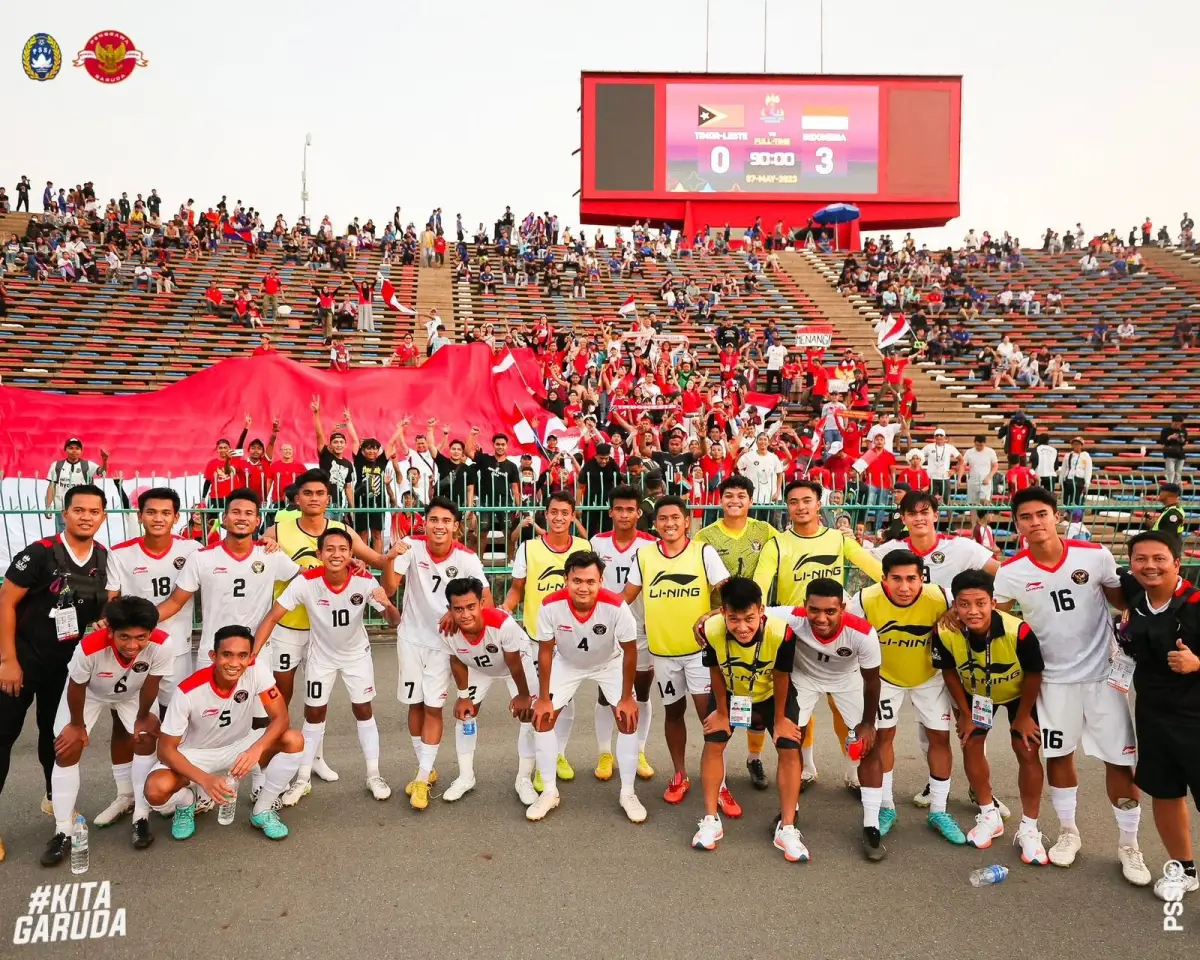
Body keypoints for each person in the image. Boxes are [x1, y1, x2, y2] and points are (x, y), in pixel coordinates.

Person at [992, 486, 1150, 885]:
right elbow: (1000, 624)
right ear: (1017, 524)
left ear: (1056, 516)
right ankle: (1068, 832)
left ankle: (1129, 844)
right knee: (1059, 756)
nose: (1035, 522)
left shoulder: (1093, 555)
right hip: (1053, 681)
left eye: (1042, 514)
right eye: (1026, 517)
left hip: (1103, 678)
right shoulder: (1011, 573)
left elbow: (1124, 605)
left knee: (1120, 761)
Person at [154, 489, 301, 799]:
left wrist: (348, 567)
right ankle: (202, 787)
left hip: (257, 653)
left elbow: (305, 577)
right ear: (224, 518)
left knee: (263, 719)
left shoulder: (271, 554)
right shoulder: (202, 558)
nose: (242, 517)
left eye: (249, 513)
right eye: (236, 512)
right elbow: (175, 602)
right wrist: (133, 622)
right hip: (214, 654)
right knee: (205, 725)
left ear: (258, 520)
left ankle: (260, 782)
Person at [258, 468, 390, 794]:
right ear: (297, 498)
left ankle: (314, 760)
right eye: (308, 493)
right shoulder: (278, 528)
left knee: (319, 703)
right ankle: (279, 765)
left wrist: (391, 558)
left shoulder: (341, 531)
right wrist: (262, 544)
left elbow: (375, 559)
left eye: (320, 494)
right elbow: (253, 555)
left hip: (325, 631)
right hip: (291, 626)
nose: (314, 499)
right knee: (285, 700)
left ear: (328, 498)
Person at [0, 484, 110, 863]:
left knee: (54, 737)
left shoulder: (102, 557)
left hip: (65, 666)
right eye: (78, 510)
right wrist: (7, 660)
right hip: (24, 660)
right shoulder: (40, 553)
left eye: (93, 511)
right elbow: (6, 601)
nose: (85, 516)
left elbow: (96, 611)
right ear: (65, 514)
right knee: (3, 737)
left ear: (103, 516)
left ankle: (53, 799)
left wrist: (98, 624)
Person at [753, 479, 882, 791]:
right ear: (787, 506)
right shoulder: (777, 544)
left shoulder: (837, 540)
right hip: (796, 633)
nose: (800, 507)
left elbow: (876, 571)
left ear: (818, 504)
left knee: (842, 707)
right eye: (794, 501)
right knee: (800, 709)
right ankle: (806, 768)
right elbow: (759, 585)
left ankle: (853, 770)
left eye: (806, 500)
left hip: (835, 632)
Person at [848, 550, 966, 845]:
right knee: (883, 737)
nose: (904, 587)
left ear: (921, 578)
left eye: (911, 579)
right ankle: (887, 807)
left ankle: (938, 810)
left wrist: (958, 612)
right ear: (883, 578)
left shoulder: (942, 596)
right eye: (896, 579)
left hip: (930, 677)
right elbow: (847, 634)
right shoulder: (864, 600)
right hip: (885, 679)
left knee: (940, 739)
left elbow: (976, 609)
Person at [144, 625, 303, 842]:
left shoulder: (257, 670)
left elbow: (281, 718)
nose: (234, 663)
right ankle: (186, 802)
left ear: (251, 657)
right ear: (213, 656)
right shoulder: (187, 691)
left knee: (294, 740)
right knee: (155, 790)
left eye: (242, 656)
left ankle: (262, 810)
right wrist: (205, 780)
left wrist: (257, 750)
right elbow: (164, 750)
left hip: (240, 746)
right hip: (197, 753)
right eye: (227, 655)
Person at [932, 571, 1049, 864]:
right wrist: (965, 713)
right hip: (978, 694)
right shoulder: (944, 631)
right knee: (971, 743)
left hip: (1018, 692)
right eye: (964, 604)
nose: (973, 611)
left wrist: (1023, 716)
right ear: (954, 607)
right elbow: (948, 671)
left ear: (993, 603)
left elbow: (1035, 672)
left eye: (981, 603)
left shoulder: (1017, 630)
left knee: (1026, 747)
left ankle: (1029, 828)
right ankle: (988, 814)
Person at [41, 598, 170, 865]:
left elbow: (151, 683)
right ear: (109, 630)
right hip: (89, 694)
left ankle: (141, 816)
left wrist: (144, 717)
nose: (132, 645)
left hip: (132, 693)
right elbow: (76, 686)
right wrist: (77, 726)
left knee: (145, 739)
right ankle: (63, 829)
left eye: (140, 637)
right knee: (68, 748)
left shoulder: (163, 645)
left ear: (150, 632)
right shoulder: (89, 647)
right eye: (124, 636)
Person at [382, 498, 489, 810]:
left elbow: (485, 598)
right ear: (424, 523)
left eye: (446, 520)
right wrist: (389, 558)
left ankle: (422, 775)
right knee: (414, 705)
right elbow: (390, 589)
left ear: (455, 526)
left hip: (445, 645)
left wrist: (457, 615)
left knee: (433, 708)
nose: (439, 526)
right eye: (433, 520)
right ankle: (424, 770)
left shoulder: (467, 558)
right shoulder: (411, 547)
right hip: (411, 639)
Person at [623, 497, 730, 804]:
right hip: (663, 652)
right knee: (673, 713)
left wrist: (715, 614)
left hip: (699, 653)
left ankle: (719, 785)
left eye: (675, 518)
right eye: (662, 519)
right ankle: (680, 774)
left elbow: (731, 594)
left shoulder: (703, 552)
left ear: (687, 522)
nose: (669, 523)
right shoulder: (644, 556)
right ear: (655, 524)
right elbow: (625, 597)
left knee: (709, 716)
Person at [691, 578, 805, 859]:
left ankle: (787, 828)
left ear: (762, 611)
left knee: (790, 747)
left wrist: (780, 719)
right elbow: (716, 670)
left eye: (750, 619)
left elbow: (782, 676)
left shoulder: (783, 633)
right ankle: (710, 820)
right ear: (723, 614)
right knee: (713, 743)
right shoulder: (710, 629)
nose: (742, 627)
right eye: (734, 619)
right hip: (731, 693)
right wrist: (719, 710)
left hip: (771, 695)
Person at [527, 551, 644, 823]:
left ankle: (628, 793)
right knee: (543, 717)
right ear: (566, 580)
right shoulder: (550, 605)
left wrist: (626, 697)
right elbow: (545, 651)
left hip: (609, 663)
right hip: (567, 663)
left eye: (590, 581)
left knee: (627, 718)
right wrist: (543, 697)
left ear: (600, 581)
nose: (583, 587)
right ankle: (549, 792)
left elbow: (630, 651)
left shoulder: (616, 606)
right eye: (576, 580)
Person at [1118, 531, 1200, 900]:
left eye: (1159, 558)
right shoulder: (1136, 602)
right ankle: (1183, 870)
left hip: (1196, 717)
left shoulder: (1197, 602)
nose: (1149, 566)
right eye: (1141, 559)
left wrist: (1199, 662)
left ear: (1177, 562)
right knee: (1165, 793)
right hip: (1153, 714)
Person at [695, 475, 779, 801]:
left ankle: (755, 758)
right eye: (728, 495)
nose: (734, 500)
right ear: (720, 500)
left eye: (741, 495)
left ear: (750, 500)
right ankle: (723, 770)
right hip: (723, 625)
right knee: (731, 693)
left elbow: (789, 546)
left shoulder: (765, 531)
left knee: (758, 695)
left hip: (757, 624)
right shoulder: (705, 535)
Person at [502, 492, 591, 789]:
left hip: (571, 638)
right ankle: (539, 763)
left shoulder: (583, 546)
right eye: (554, 512)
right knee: (537, 704)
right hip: (536, 638)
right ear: (546, 514)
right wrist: (503, 611)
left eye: (565, 513)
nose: (559, 518)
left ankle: (557, 754)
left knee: (565, 700)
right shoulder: (529, 548)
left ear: (573, 515)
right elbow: (517, 589)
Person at [441, 578, 539, 804]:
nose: (465, 614)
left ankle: (523, 778)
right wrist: (463, 696)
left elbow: (513, 663)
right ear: (450, 610)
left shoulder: (503, 626)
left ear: (482, 603)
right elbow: (456, 660)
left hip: (515, 665)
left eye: (471, 607)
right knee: (466, 715)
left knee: (528, 716)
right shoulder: (448, 630)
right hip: (480, 667)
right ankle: (466, 776)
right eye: (458, 609)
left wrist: (523, 695)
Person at [590, 487, 658, 783]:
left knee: (640, 692)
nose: (624, 514)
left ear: (638, 513)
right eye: (619, 509)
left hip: (641, 629)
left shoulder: (651, 544)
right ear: (611, 512)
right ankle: (605, 752)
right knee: (606, 695)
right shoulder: (597, 542)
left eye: (630, 510)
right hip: (604, 628)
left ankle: (639, 750)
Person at [44, 439, 109, 533]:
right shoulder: (56, 465)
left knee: (81, 534)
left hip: (82, 508)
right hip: (62, 508)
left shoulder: (87, 465)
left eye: (77, 448)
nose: (74, 450)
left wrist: (104, 460)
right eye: (71, 448)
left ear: (81, 451)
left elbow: (102, 473)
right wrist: (48, 506)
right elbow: (51, 487)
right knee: (62, 536)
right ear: (65, 450)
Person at [920, 429, 960, 504]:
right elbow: (918, 456)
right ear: (934, 437)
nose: (939, 436)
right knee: (929, 501)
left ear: (945, 437)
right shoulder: (929, 447)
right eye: (937, 435)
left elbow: (961, 460)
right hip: (931, 478)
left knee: (947, 501)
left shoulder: (950, 447)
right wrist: (921, 469)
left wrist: (954, 471)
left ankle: (950, 516)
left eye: (941, 435)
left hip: (944, 477)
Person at [959, 435, 998, 504]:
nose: (979, 447)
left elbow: (995, 466)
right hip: (973, 481)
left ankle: (985, 514)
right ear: (974, 443)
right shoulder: (969, 452)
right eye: (977, 445)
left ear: (985, 444)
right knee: (972, 504)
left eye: (981, 445)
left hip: (985, 481)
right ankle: (973, 514)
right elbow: (963, 465)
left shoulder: (990, 452)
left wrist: (989, 477)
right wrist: (959, 478)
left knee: (984, 501)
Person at [1059, 437, 1092, 507]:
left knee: (1077, 499)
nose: (1076, 446)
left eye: (1078, 444)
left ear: (1081, 445)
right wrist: (1061, 480)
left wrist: (1087, 484)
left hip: (1079, 480)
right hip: (1069, 479)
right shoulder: (1068, 455)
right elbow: (1063, 468)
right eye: (1074, 444)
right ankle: (1067, 513)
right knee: (1067, 499)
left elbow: (1088, 471)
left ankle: (1076, 515)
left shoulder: (1086, 456)